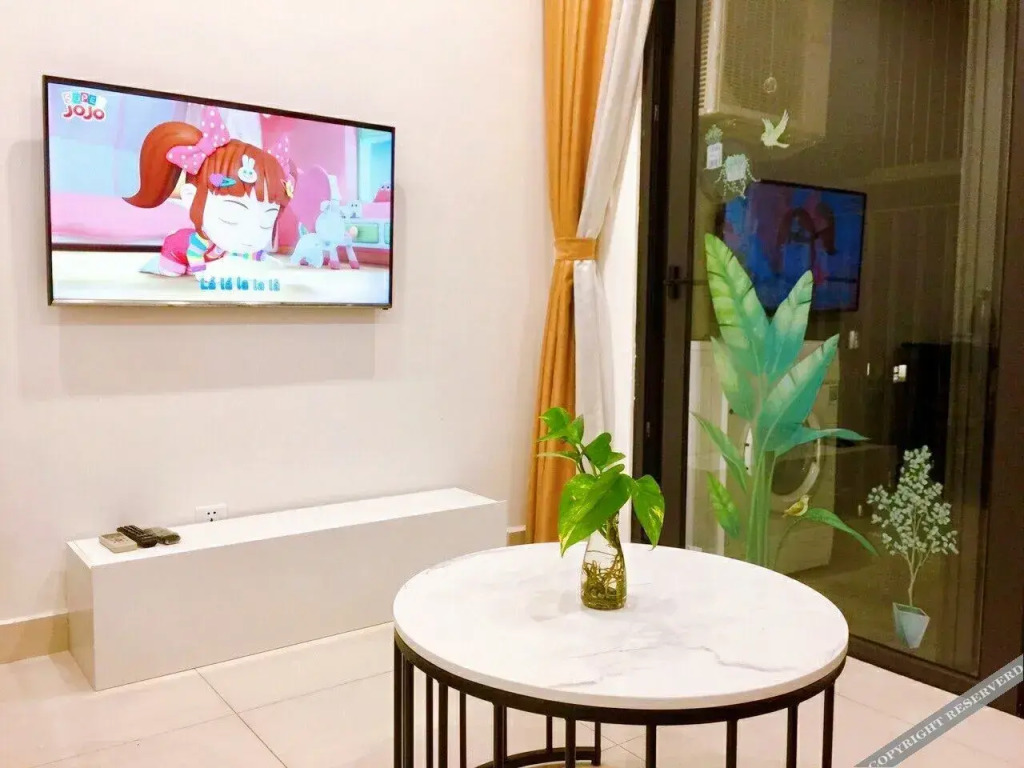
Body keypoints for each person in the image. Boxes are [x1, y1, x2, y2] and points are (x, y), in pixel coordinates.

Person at [124, 106, 292, 276]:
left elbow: (240, 252)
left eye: (266, 223)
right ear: (190, 197)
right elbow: (193, 254)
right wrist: (201, 273)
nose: (251, 234)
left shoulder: (225, 242)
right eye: (231, 217)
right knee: (174, 271)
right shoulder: (201, 241)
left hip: (202, 262)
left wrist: (262, 257)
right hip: (174, 256)